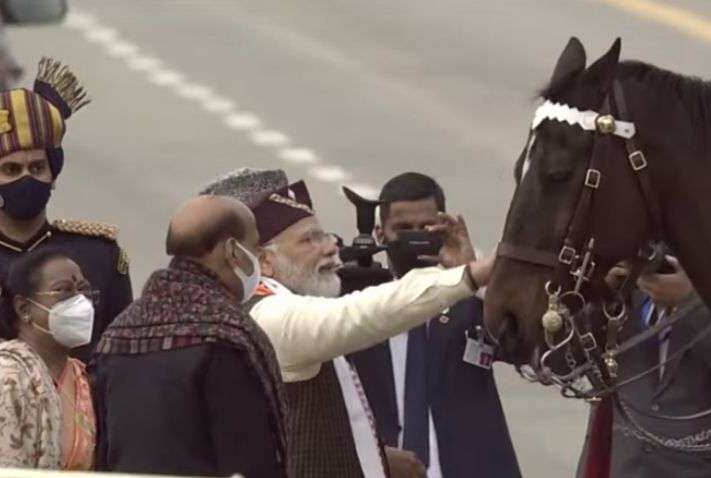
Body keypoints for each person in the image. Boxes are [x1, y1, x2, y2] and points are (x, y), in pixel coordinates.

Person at [201, 169, 494, 478]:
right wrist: (470, 275)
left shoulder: (270, 302)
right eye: (309, 240)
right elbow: (357, 316)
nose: (330, 247)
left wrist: (371, 453)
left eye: (323, 234)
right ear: (265, 262)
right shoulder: (265, 316)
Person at [90, 195, 285, 478]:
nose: (259, 257)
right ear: (233, 251)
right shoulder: (226, 336)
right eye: (255, 246)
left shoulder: (117, 334)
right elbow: (249, 456)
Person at [347, 172, 521, 478]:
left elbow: (530, 343)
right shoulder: (357, 307)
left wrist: (471, 275)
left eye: (427, 228)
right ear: (378, 234)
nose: (416, 238)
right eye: (403, 229)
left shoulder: (470, 303)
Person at [0, 57, 133, 361]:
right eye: (11, 169)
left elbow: (122, 356)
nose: (26, 178)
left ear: (52, 175)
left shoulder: (98, 254)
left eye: (37, 167)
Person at [576, 256, 711, 478]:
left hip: (702, 470)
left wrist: (689, 304)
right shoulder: (625, 289)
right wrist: (599, 298)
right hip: (621, 466)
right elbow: (570, 364)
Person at [0, 248, 97, 470]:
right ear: (24, 308)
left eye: (84, 290)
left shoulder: (82, 376)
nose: (81, 303)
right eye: (64, 291)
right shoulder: (5, 376)